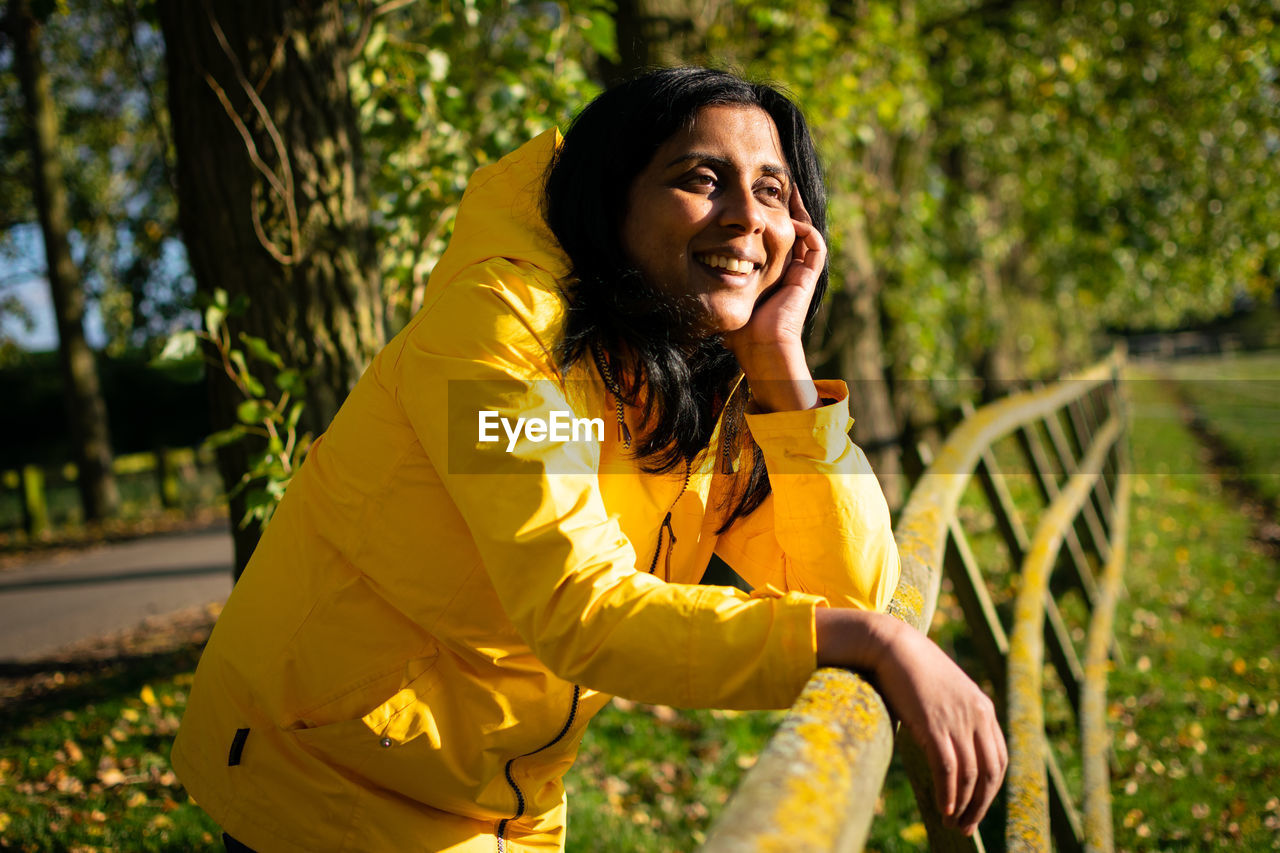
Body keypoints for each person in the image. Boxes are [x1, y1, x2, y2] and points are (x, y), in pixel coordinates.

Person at [171, 67, 1006, 852]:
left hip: (502, 796)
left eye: (773, 189)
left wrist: (781, 365)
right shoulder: (493, 341)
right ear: (611, 204)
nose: (749, 216)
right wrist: (875, 645)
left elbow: (852, 593)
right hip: (324, 777)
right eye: (700, 178)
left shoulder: (700, 367)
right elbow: (580, 609)